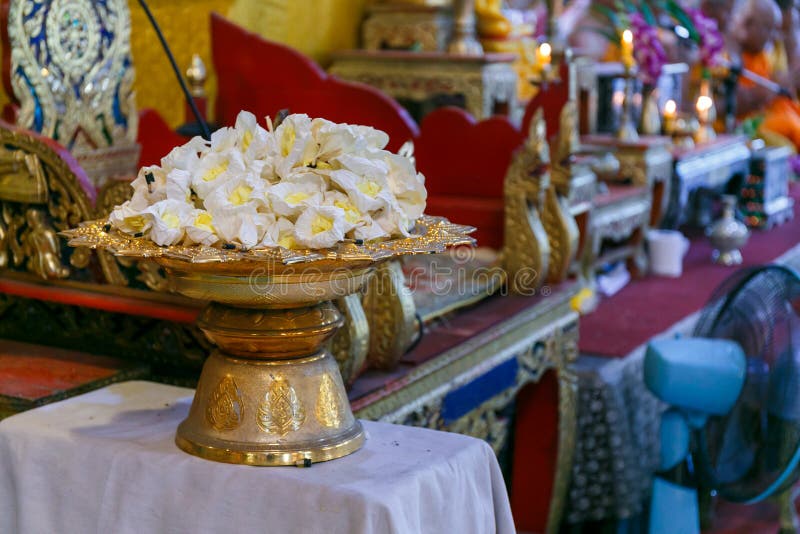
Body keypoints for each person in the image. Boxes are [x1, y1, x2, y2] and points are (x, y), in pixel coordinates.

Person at [734, 0, 800, 149]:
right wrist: (760, 94)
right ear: (748, 24)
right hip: (750, 126)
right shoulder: (733, 54)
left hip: (772, 115)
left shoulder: (761, 56)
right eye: (768, 29)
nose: (773, 37)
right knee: (790, 125)